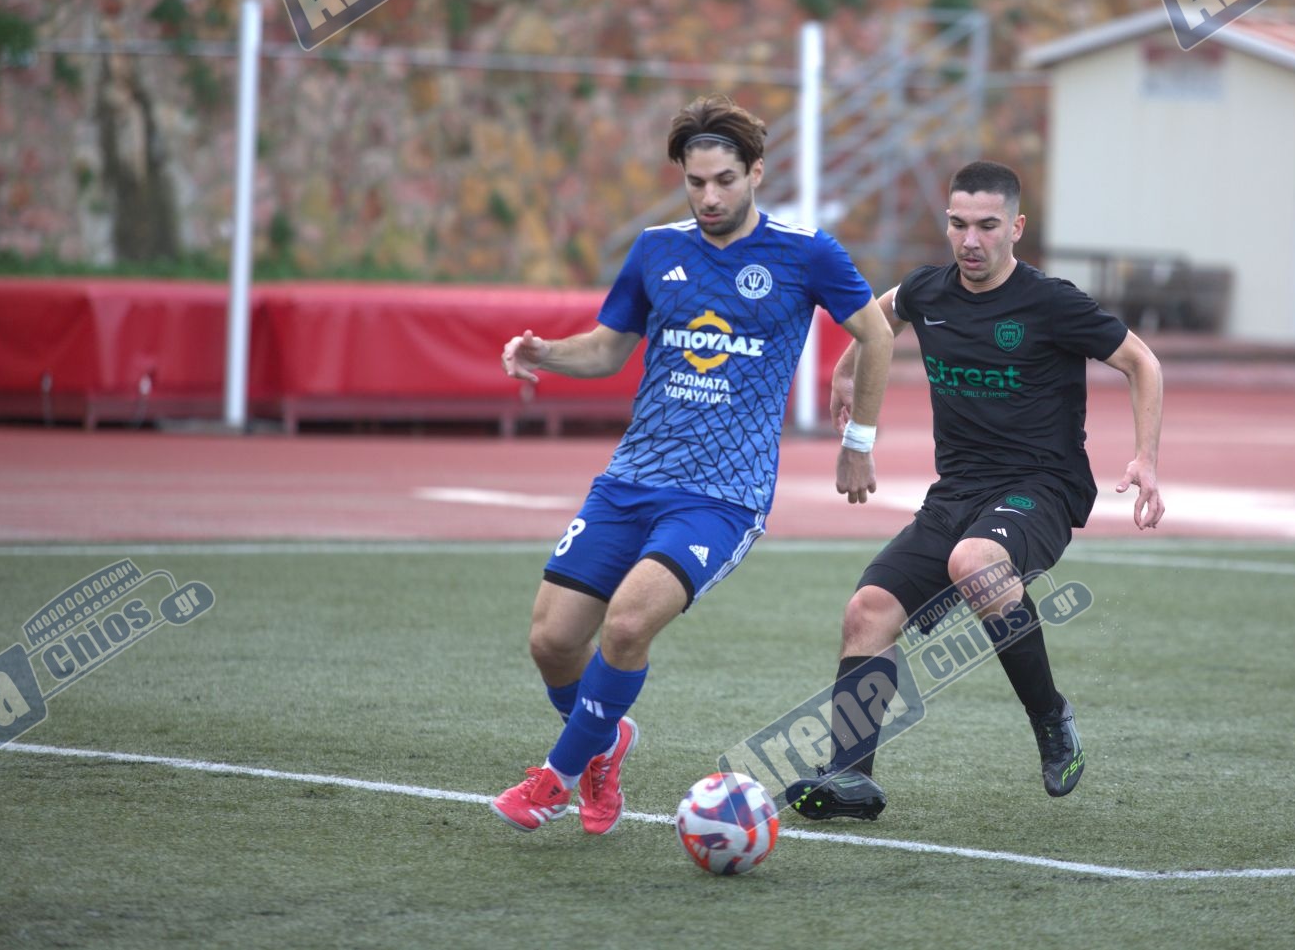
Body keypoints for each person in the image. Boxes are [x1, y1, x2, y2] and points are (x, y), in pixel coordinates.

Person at [489, 94, 894, 835]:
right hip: (630, 478)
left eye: (724, 181)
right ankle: (605, 743)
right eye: (695, 181)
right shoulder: (655, 250)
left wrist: (858, 442)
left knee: (626, 624)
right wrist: (546, 354)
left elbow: (877, 334)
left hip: (723, 494)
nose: (709, 197)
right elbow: (607, 349)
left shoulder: (806, 252)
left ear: (756, 174)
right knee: (552, 640)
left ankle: (556, 778)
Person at [784, 160, 1165, 821]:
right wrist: (845, 371)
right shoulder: (927, 291)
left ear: (1015, 227)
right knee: (867, 610)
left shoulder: (1051, 302)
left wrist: (1145, 458)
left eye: (987, 225)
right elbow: (879, 317)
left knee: (974, 563)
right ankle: (849, 776)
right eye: (958, 224)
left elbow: (1141, 361)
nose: (970, 240)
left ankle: (1051, 719)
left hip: (1041, 488)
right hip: (957, 493)